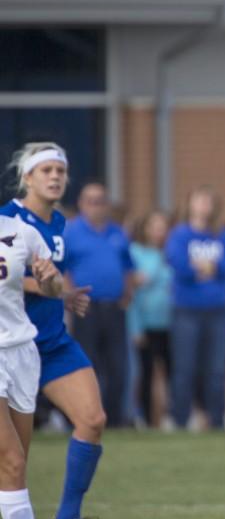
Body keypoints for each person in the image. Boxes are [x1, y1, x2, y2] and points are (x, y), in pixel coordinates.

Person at [0, 142, 116, 519]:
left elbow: (48, 279)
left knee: (93, 419)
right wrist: (52, 289)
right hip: (10, 350)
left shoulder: (60, 224)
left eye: (60, 171)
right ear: (27, 177)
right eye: (45, 170)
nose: (54, 177)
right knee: (13, 462)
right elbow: (7, 276)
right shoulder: (6, 220)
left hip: (51, 344)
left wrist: (60, 293)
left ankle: (68, 518)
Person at [0, 212, 61, 519]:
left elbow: (53, 288)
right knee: (12, 462)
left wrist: (49, 281)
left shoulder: (21, 231)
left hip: (21, 351)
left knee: (16, 463)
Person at [165, 186, 225, 430]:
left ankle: (217, 421)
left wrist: (209, 267)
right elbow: (179, 265)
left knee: (216, 370)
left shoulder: (224, 235)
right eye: (199, 200)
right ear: (190, 204)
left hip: (217, 312)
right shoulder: (179, 235)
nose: (204, 206)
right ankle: (180, 421)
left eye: (208, 201)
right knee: (184, 369)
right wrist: (210, 267)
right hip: (186, 310)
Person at [62, 181, 136, 427]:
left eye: (101, 201)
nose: (96, 206)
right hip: (86, 308)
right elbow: (63, 269)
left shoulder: (117, 232)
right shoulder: (71, 232)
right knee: (86, 365)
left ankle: (115, 420)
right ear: (82, 204)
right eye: (91, 201)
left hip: (114, 308)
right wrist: (70, 296)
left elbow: (128, 266)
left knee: (118, 366)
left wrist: (127, 293)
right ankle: (85, 419)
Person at [127, 210, 173, 428]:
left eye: (163, 227)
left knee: (173, 374)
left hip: (171, 324)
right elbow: (132, 292)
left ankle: (171, 417)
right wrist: (135, 328)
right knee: (145, 374)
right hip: (145, 324)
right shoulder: (135, 253)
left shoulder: (171, 253)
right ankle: (146, 419)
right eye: (155, 226)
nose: (159, 232)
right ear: (145, 228)